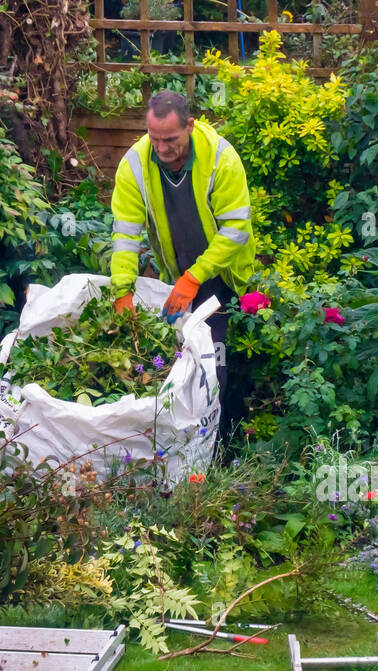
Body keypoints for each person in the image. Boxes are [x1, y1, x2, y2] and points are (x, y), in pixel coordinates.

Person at [109, 90, 255, 437]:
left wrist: (196, 277)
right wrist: (122, 291)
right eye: (154, 139)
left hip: (222, 274)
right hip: (175, 276)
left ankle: (217, 451)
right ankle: (192, 442)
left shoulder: (220, 157)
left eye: (170, 139)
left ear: (190, 125)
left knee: (213, 360)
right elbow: (126, 236)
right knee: (183, 358)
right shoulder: (134, 165)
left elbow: (236, 229)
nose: (161, 148)